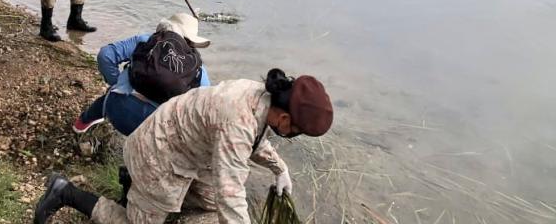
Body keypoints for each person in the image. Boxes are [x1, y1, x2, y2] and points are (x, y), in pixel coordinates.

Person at [34, 69, 334, 224]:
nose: (292, 136)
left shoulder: (262, 98)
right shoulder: (237, 119)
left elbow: (251, 144)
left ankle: (135, 187)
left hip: (185, 149)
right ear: (284, 117)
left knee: (209, 205)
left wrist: (278, 169)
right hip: (159, 153)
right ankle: (65, 191)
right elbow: (231, 192)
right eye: (295, 131)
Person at [72, 12, 211, 136]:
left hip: (115, 109)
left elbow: (105, 55)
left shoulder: (146, 40)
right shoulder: (198, 69)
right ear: (192, 42)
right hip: (155, 131)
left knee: (118, 88)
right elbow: (203, 106)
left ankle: (81, 123)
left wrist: (116, 82)